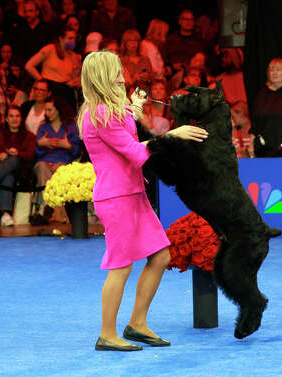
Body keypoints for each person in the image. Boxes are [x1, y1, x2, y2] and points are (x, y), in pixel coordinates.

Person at [78, 51, 207, 351]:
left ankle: (137, 323)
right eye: (117, 72)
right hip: (116, 197)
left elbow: (125, 125)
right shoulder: (99, 113)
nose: (123, 76)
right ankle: (107, 334)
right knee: (121, 266)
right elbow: (136, 153)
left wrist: (134, 106)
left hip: (133, 193)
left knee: (161, 256)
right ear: (102, 77)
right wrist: (173, 135)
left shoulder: (111, 110)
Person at [31, 95, 82, 225]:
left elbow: (77, 152)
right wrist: (41, 144)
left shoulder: (70, 128)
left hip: (63, 162)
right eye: (46, 110)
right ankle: (47, 207)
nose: (47, 113)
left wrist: (68, 146)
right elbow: (38, 153)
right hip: (45, 162)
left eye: (50, 110)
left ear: (58, 110)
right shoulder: (43, 128)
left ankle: (47, 210)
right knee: (42, 167)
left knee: (61, 169)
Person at [0, 105, 36, 226]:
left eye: (17, 116)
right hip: (4, 172)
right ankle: (6, 214)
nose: (14, 119)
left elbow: (31, 155)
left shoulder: (29, 136)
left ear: (21, 119)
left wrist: (18, 154)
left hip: (23, 172)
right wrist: (0, 156)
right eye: (11, 116)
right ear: (6, 119)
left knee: (14, 159)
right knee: (8, 175)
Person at [24, 27, 81, 110]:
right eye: (70, 38)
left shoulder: (74, 56)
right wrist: (42, 82)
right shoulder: (50, 49)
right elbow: (29, 66)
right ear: (61, 38)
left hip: (65, 91)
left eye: (74, 39)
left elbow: (77, 77)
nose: (73, 41)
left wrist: (75, 80)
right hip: (49, 88)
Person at [119, 29, 153, 95]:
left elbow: (152, 80)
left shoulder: (145, 59)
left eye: (135, 41)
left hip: (145, 93)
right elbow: (119, 84)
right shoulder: (120, 60)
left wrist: (147, 78)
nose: (133, 44)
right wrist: (134, 79)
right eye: (130, 41)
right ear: (125, 43)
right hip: (127, 95)